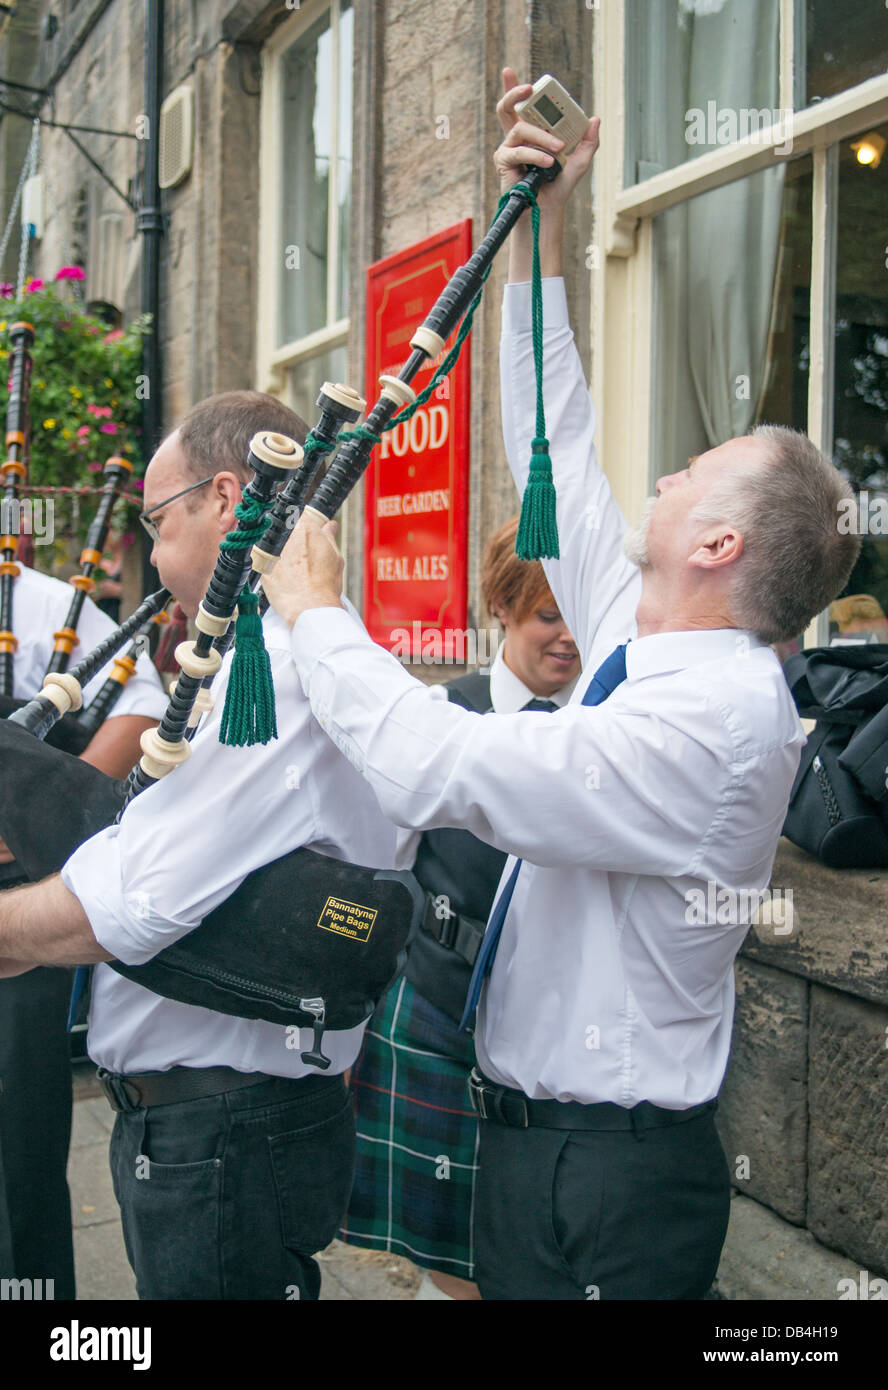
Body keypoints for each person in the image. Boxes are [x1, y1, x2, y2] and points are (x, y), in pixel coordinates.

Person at [261, 70, 863, 1300]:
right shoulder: (647, 642)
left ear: (721, 546)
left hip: (617, 1181)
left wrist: (318, 613)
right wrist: (540, 222)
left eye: (698, 466)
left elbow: (451, 766)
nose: (671, 469)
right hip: (529, 1146)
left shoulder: (721, 720)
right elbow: (557, 442)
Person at [0, 389, 409, 1301]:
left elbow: (133, 903)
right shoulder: (266, 656)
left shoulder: (281, 673)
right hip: (216, 1122)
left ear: (229, 500)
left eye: (155, 519)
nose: (148, 550)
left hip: (225, 1130)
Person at [339, 516, 581, 1300]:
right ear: (503, 607)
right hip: (440, 1004)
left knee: (538, 1236)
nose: (568, 639)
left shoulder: (607, 727)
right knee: (447, 1242)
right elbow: (381, 864)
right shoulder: (444, 718)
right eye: (549, 615)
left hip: (565, 1018)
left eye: (580, 614)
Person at [0, 558, 167, 1299]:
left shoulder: (37, 603)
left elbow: (138, 706)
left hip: (13, 908)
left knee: (15, 1139)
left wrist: (40, 821)